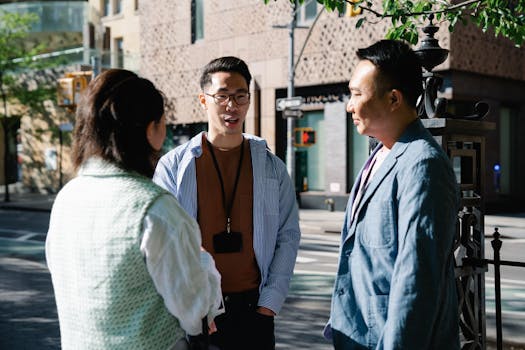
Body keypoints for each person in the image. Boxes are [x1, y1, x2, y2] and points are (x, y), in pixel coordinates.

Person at [46, 69, 223, 350]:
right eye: (163, 122)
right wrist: (204, 263)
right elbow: (194, 311)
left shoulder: (67, 198)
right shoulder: (156, 209)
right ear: (150, 130)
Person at [153, 56, 301, 350]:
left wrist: (269, 304)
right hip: (197, 310)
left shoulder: (271, 166)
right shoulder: (174, 166)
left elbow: (288, 235)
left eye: (240, 96)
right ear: (203, 100)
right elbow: (164, 242)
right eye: (222, 96)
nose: (232, 106)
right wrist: (192, 307)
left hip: (255, 310)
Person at [324, 40, 460, 349]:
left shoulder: (422, 165)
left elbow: (417, 278)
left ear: (394, 99)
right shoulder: (380, 153)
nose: (349, 105)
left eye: (357, 94)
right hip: (360, 334)